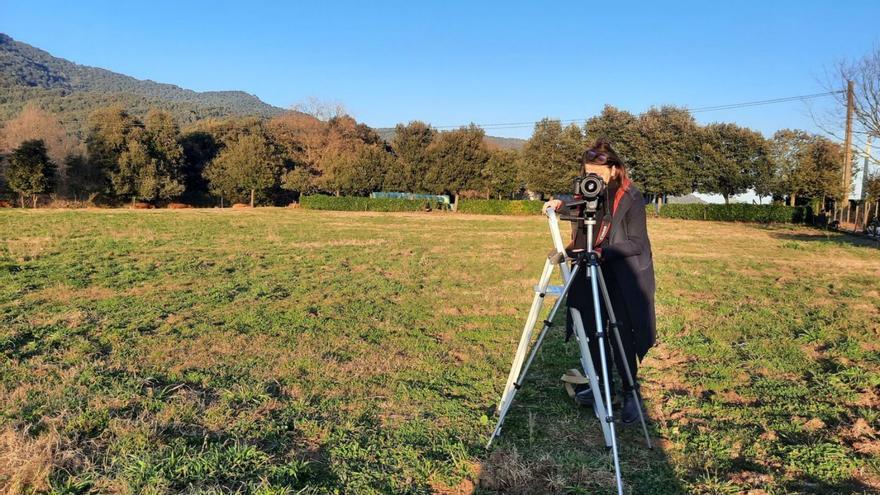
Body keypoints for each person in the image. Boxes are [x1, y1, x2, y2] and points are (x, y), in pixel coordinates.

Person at [541, 139, 656, 424]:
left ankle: (631, 394)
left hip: (622, 271)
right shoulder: (586, 192)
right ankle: (602, 387)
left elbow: (637, 244)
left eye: (600, 171)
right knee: (591, 329)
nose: (593, 176)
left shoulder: (630, 196)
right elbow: (575, 209)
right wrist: (558, 203)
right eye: (588, 170)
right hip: (590, 267)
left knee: (620, 332)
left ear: (615, 169)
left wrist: (601, 252)